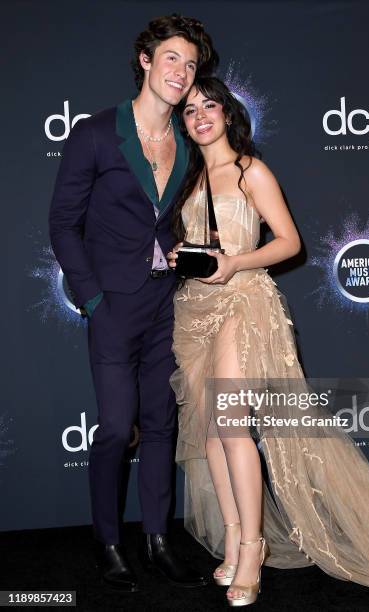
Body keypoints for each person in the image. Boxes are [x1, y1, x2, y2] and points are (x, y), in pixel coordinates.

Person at [166, 76, 369, 606]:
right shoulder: (187, 181)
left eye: (209, 106)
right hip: (195, 310)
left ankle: (254, 550)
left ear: (228, 114)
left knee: (232, 426)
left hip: (244, 302)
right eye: (189, 110)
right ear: (182, 123)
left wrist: (234, 262)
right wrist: (178, 258)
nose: (200, 115)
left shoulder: (251, 169)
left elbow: (290, 242)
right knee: (210, 436)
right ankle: (233, 540)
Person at [49, 15, 218, 591]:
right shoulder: (97, 132)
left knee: (161, 424)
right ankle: (108, 542)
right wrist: (92, 297)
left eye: (191, 64)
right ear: (145, 60)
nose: (183, 72)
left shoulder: (189, 145)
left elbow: (184, 220)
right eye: (172, 58)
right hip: (113, 305)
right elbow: (63, 223)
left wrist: (189, 256)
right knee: (117, 428)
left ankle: (157, 539)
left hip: (165, 303)